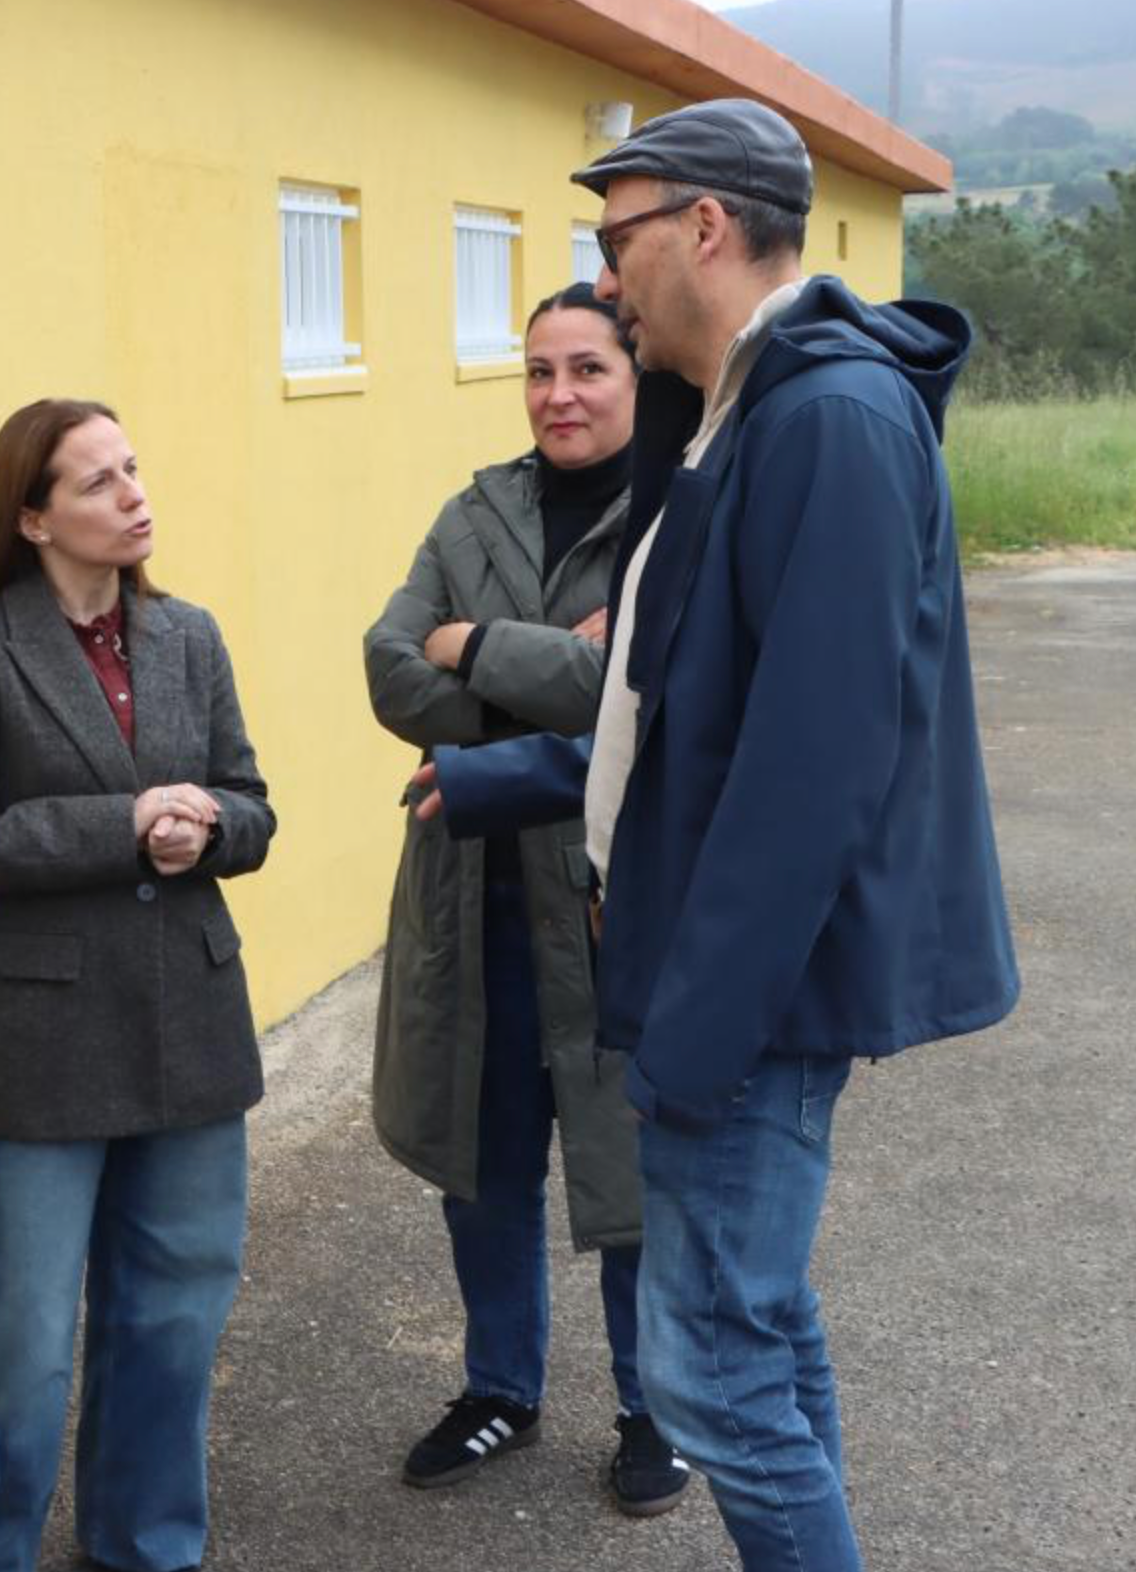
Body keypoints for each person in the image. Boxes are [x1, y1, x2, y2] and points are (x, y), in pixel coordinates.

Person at [528, 98, 1018, 1572]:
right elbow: (686, 703)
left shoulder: (826, 421)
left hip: (743, 998)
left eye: (615, 237)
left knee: (708, 1381)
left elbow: (812, 769)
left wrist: (692, 1038)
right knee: (758, 1326)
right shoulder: (739, 410)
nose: (603, 278)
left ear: (703, 226)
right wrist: (519, 783)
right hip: (716, 972)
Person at [362, 284, 689, 1515]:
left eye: (586, 369)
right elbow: (388, 670)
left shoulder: (674, 512)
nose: (558, 395)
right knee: (481, 1165)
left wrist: (476, 645)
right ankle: (498, 1387)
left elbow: (650, 694)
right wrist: (564, 672)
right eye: (539, 371)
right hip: (476, 900)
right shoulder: (472, 508)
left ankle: (653, 1411)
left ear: (634, 375)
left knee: (627, 1175)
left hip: (611, 908)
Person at [0, 399, 275, 1572]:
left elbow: (251, 803)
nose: (133, 494)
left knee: (175, 1313)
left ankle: (145, 1542)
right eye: (97, 482)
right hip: (45, 1036)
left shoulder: (187, 634)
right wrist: (124, 824)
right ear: (31, 518)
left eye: (132, 467)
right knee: (20, 1337)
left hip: (191, 1019)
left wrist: (209, 826)